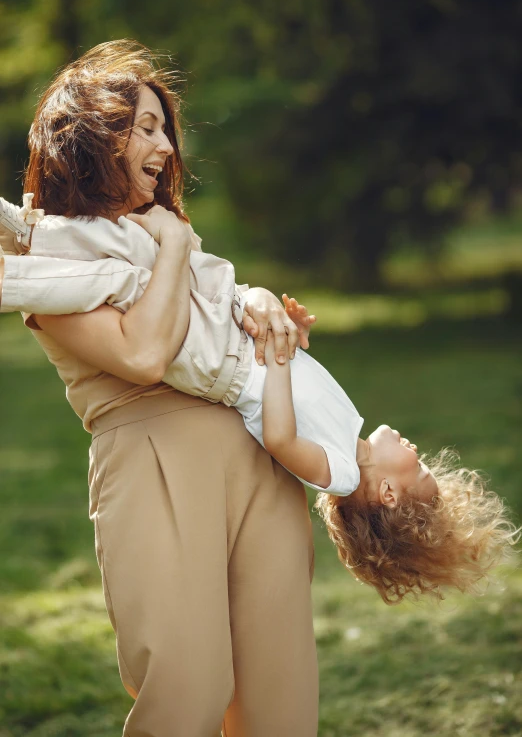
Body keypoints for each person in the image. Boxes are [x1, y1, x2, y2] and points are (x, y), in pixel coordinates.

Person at [1, 175, 518, 607]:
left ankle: (11, 278)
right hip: (228, 341)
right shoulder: (350, 431)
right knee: (135, 256)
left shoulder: (339, 473)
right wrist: (290, 331)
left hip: (217, 364)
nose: (413, 447)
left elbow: (280, 438)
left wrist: (278, 362)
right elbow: (298, 385)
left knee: (125, 283)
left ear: (387, 493)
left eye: (417, 465)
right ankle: (22, 230)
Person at [0, 39, 321, 737]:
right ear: (90, 139)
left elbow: (212, 303)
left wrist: (259, 297)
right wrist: (175, 244)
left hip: (259, 455)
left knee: (281, 701)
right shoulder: (52, 260)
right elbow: (144, 354)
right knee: (186, 690)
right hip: (153, 464)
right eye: (143, 127)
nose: (166, 146)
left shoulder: (161, 234)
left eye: (164, 128)